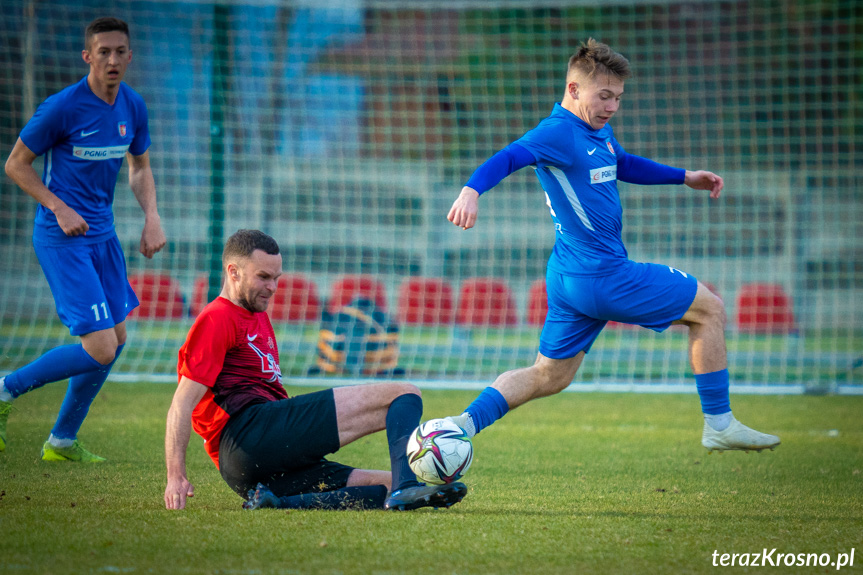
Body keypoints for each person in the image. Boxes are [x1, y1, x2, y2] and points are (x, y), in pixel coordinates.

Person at [445, 39, 780, 454]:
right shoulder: (558, 132)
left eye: (618, 98)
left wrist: (684, 176)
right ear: (573, 90)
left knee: (549, 376)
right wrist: (471, 190)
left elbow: (623, 163)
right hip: (602, 275)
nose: (611, 106)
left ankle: (459, 426)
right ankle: (720, 423)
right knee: (709, 308)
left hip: (570, 275)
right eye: (604, 96)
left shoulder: (597, 131)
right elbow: (511, 156)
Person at [164, 229, 467, 511]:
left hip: (247, 472)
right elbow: (181, 402)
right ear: (233, 272)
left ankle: (277, 502)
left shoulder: (256, 313)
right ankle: (406, 487)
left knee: (384, 485)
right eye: (263, 277)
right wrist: (175, 476)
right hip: (248, 434)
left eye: (276, 277)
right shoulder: (218, 318)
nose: (273, 287)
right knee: (405, 394)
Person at [1, 17, 166, 462]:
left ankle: (61, 442)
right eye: (103, 51)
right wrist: (58, 206)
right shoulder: (61, 107)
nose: (112, 59)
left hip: (103, 237)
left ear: (130, 57)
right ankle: (4, 389)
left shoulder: (132, 106)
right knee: (101, 347)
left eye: (120, 52)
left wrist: (151, 217)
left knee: (117, 337)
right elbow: (16, 165)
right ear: (88, 56)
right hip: (61, 236)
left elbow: (140, 167)